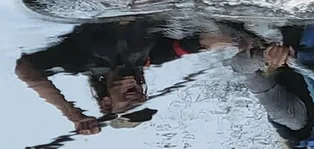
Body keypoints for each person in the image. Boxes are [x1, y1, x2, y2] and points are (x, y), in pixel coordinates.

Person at [14, 14, 238, 135]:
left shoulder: (81, 60)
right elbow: (202, 42)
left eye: (128, 109)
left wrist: (73, 114)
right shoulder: (152, 57)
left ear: (106, 103)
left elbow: (25, 70)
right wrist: (242, 42)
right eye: (140, 105)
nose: (136, 101)